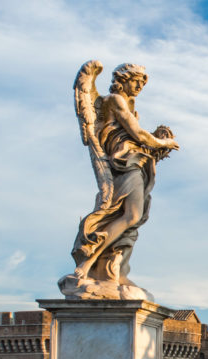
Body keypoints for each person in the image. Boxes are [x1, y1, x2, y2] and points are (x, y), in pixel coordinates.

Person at [63, 61, 179, 298]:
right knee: (130, 215)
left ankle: (113, 270)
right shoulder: (114, 101)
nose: (139, 87)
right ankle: (87, 263)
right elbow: (137, 135)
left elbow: (136, 138)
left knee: (133, 218)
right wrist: (162, 142)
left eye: (142, 84)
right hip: (123, 163)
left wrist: (154, 147)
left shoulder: (126, 105)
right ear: (123, 79)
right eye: (136, 81)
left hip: (134, 163)